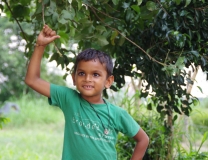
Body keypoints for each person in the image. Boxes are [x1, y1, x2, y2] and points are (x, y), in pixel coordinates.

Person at [25, 25, 149, 160]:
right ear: (74, 78)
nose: (87, 79)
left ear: (108, 81)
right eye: (82, 73)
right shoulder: (69, 99)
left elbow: (143, 139)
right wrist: (40, 45)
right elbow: (32, 80)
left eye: (96, 74)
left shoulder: (117, 114)